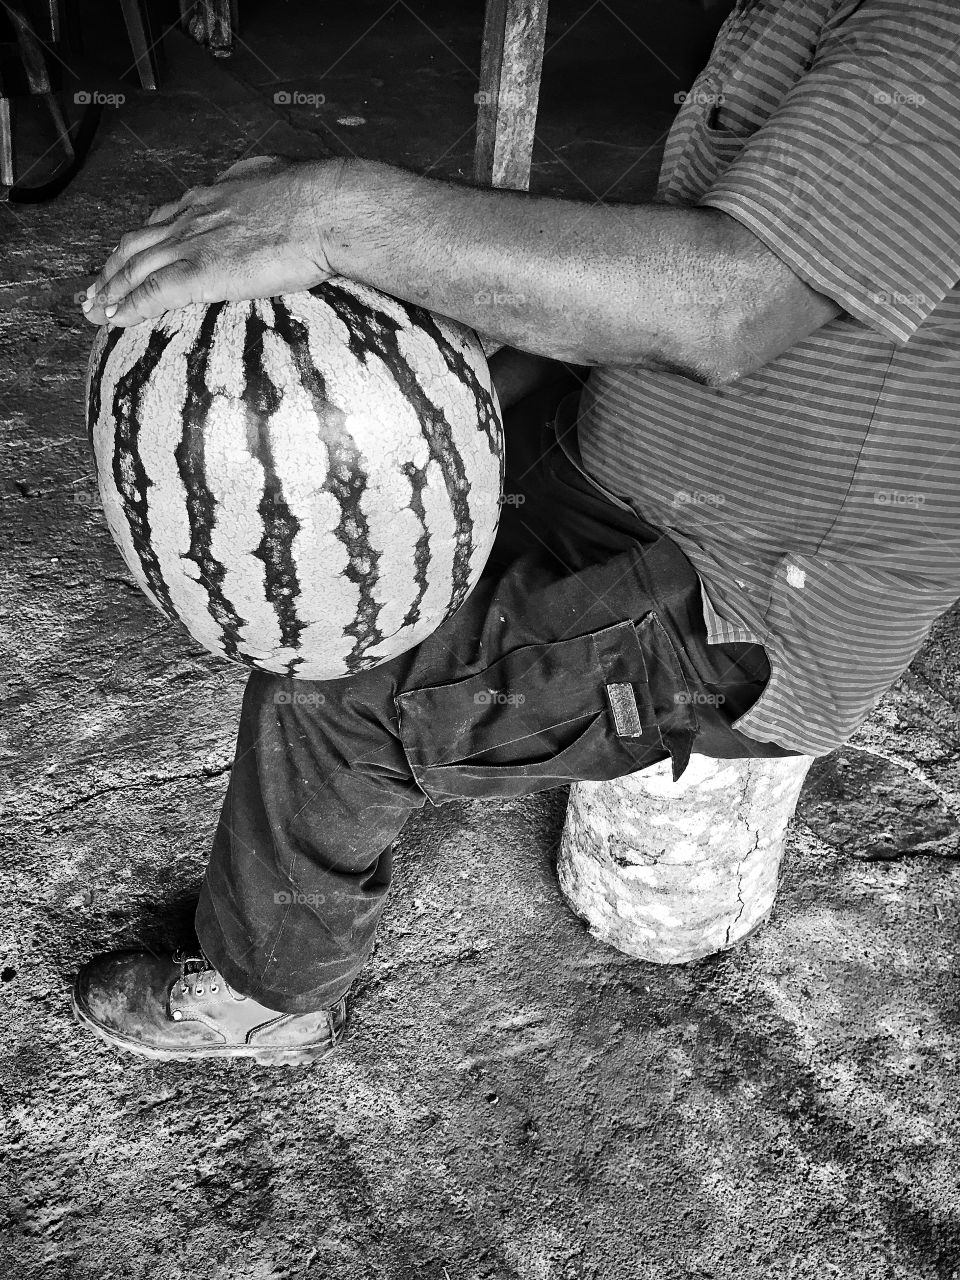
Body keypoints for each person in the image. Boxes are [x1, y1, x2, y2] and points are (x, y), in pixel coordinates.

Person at [74, 0, 960, 1062]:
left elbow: (730, 304)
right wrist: (447, 382)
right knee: (332, 515)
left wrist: (330, 212)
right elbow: (695, 265)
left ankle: (271, 995)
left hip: (750, 597)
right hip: (639, 469)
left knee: (334, 691)